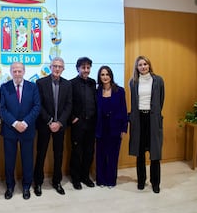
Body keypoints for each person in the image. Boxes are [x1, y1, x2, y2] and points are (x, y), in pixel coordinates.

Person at [0, 62, 41, 200]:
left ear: (24, 71)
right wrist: (15, 123)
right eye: (14, 71)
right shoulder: (4, 87)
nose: (17, 73)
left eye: (19, 71)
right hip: (10, 129)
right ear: (11, 72)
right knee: (9, 160)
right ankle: (10, 186)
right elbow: (2, 109)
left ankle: (26, 186)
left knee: (27, 160)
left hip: (27, 130)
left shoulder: (32, 87)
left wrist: (25, 122)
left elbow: (36, 107)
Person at [34, 57, 72, 196]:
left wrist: (59, 122)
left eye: (60, 66)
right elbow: (39, 105)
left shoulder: (67, 85)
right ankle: (38, 182)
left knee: (59, 154)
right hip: (45, 125)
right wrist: (50, 121)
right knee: (41, 153)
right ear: (50, 67)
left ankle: (57, 181)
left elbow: (69, 105)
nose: (57, 69)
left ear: (63, 69)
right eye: (55, 66)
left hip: (60, 126)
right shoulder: (40, 83)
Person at [129, 56, 165, 193]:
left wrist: (154, 113)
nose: (143, 67)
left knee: (155, 153)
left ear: (149, 65)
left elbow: (161, 100)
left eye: (145, 64)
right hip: (139, 119)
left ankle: (155, 183)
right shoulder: (133, 82)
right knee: (140, 152)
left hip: (153, 119)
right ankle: (141, 180)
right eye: (140, 65)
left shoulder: (158, 80)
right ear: (137, 67)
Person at [95, 66, 128, 188]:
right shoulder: (97, 91)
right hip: (100, 127)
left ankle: (111, 180)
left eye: (107, 74)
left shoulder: (119, 91)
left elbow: (124, 110)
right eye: (102, 74)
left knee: (113, 155)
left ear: (111, 76)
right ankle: (101, 180)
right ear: (99, 77)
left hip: (115, 127)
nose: (105, 77)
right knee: (101, 155)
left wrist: (124, 128)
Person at [69, 57, 97, 190]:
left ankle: (85, 176)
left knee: (89, 151)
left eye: (88, 67)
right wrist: (72, 117)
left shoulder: (93, 82)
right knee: (77, 152)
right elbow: (67, 103)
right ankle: (75, 178)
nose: (86, 70)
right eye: (83, 67)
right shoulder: (71, 83)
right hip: (78, 124)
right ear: (78, 68)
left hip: (91, 123)